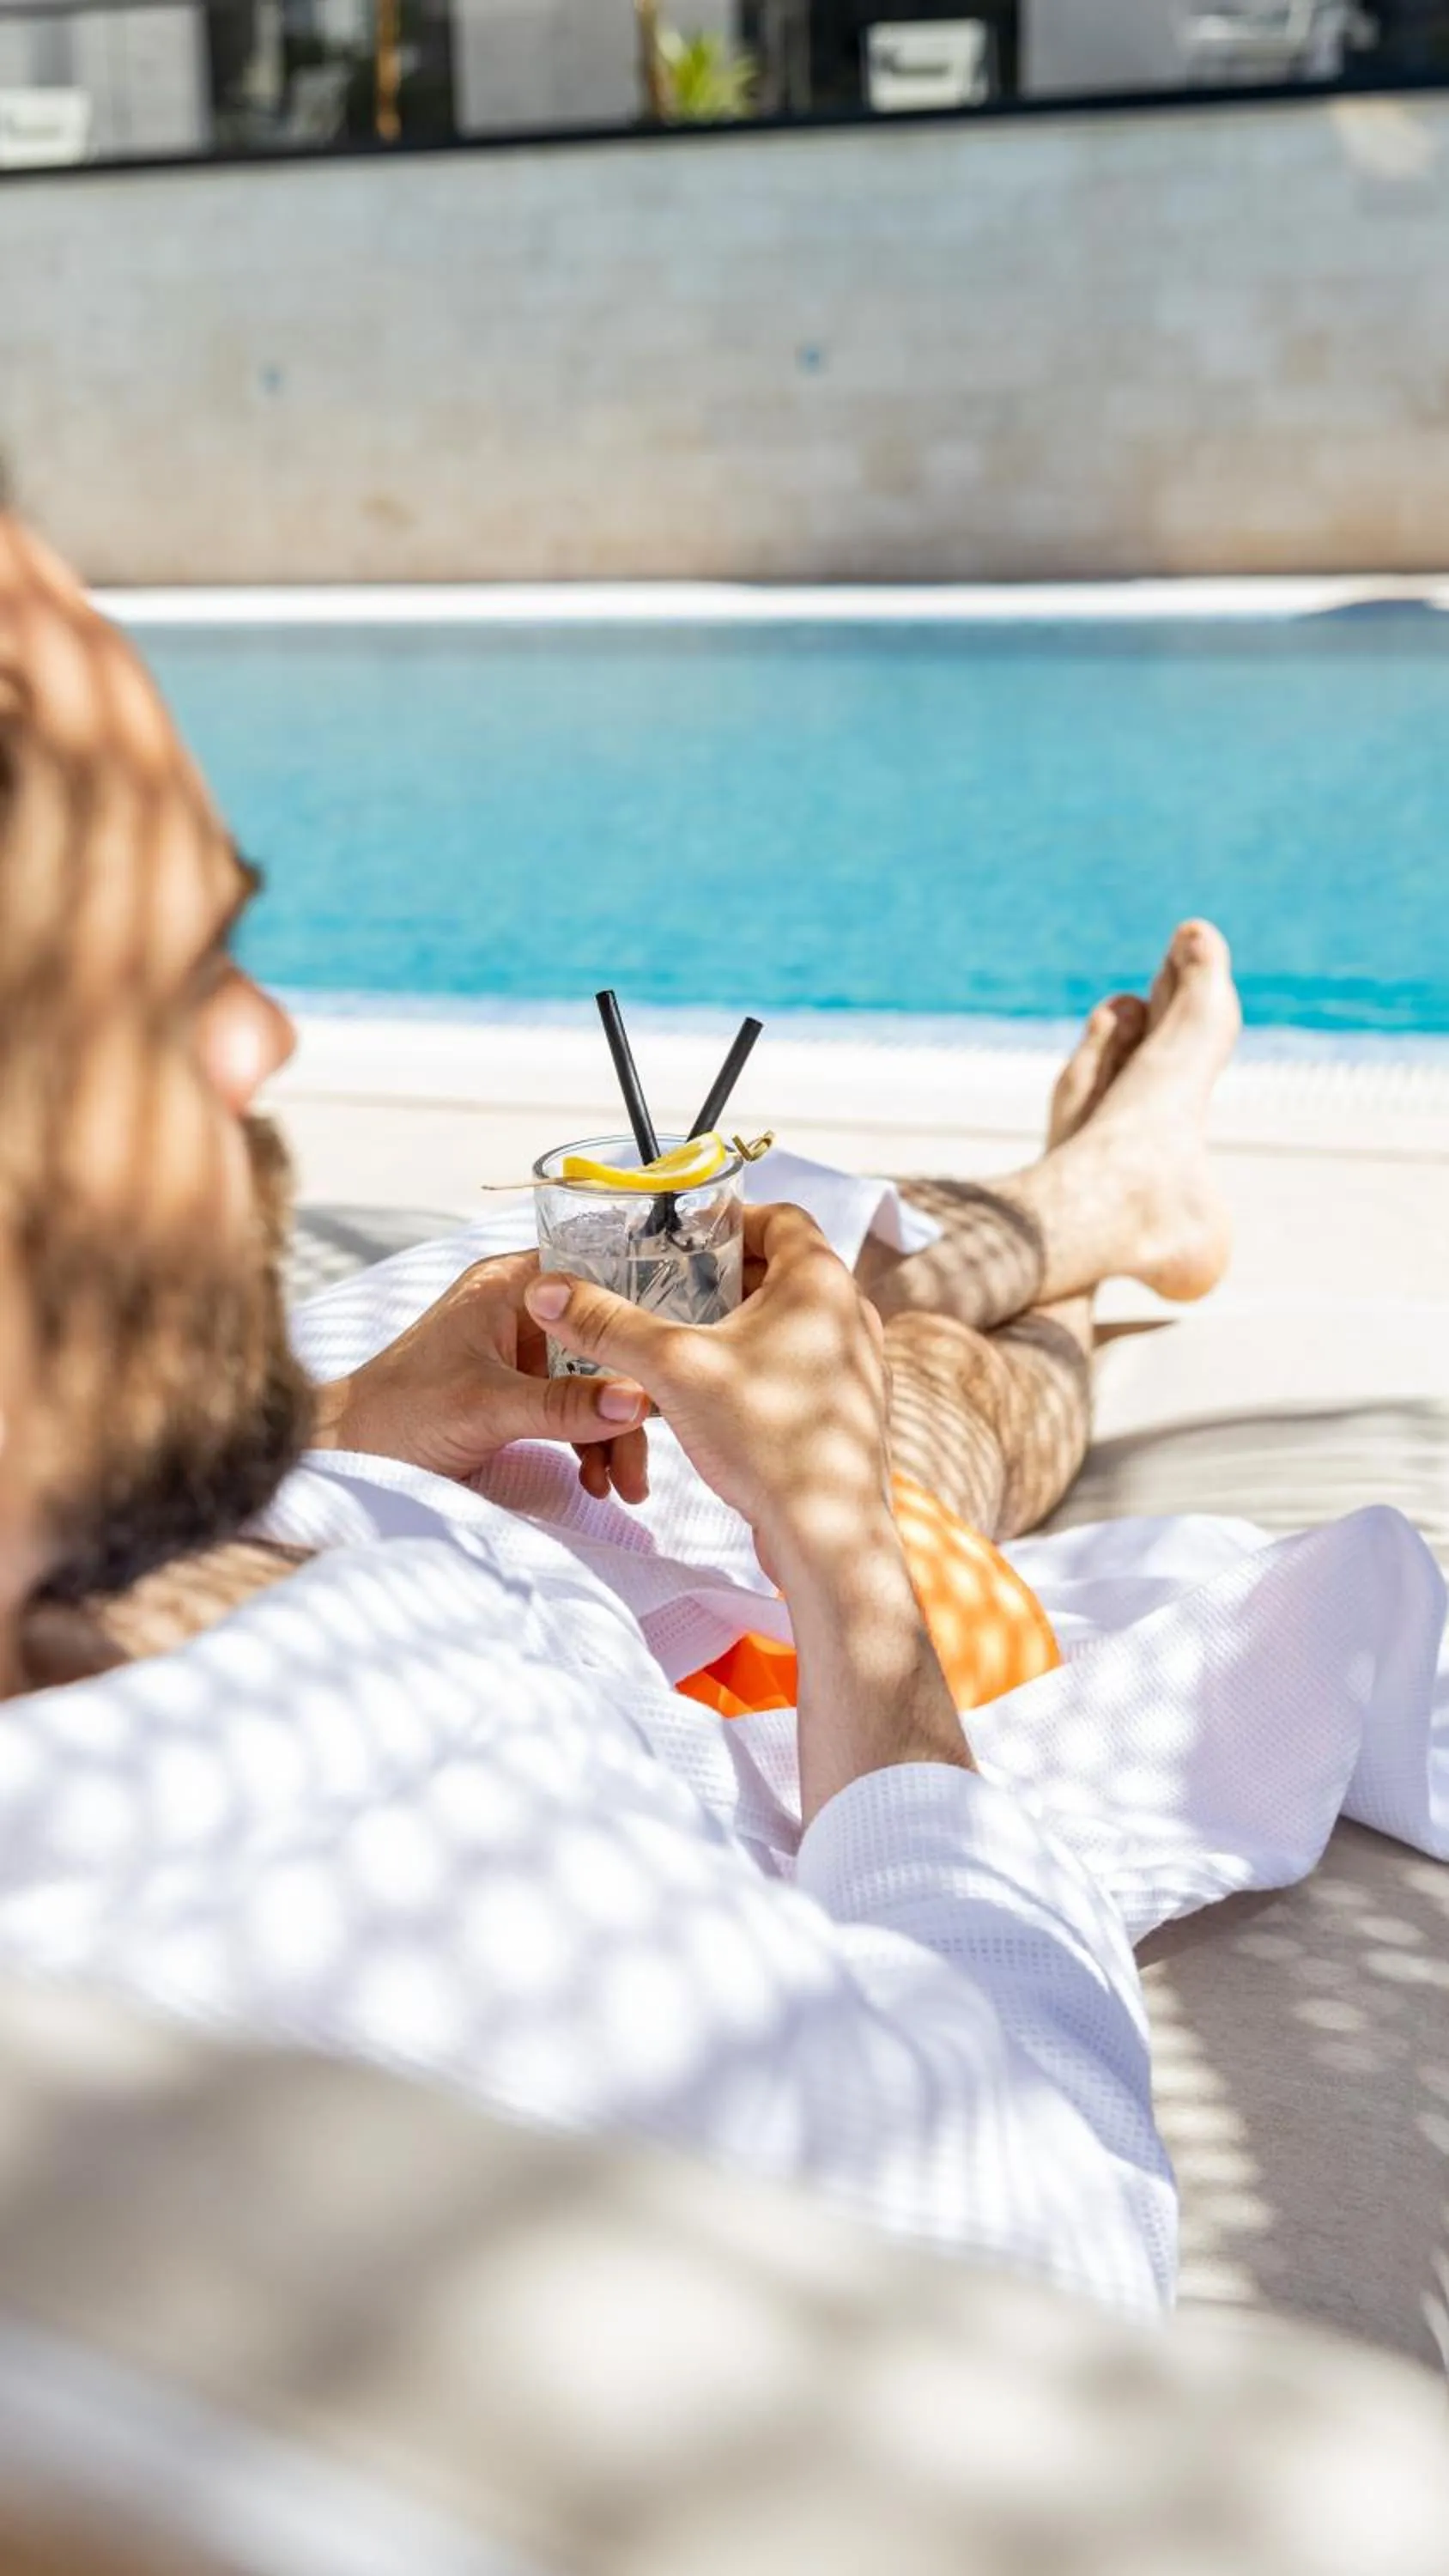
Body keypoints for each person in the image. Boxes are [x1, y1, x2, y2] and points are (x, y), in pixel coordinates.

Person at [0, 513, 1441, 2320]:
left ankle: (1074, 1202)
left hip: (380, 1462)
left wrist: (344, 1422)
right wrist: (836, 1558)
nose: (260, 1037)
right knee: (904, 1410)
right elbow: (1058, 2236)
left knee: (728, 1261)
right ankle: (1092, 1227)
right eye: (162, 974)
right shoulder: (355, 1907)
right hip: (731, 1659)